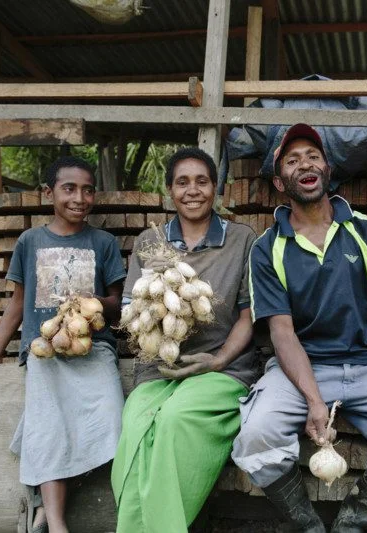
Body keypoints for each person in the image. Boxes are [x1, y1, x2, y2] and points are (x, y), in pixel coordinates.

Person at [231, 124, 367, 533]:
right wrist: (313, 400)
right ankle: (307, 525)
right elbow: (282, 333)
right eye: (292, 160)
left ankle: (352, 522)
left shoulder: (365, 231)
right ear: (280, 182)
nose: (304, 164)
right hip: (300, 372)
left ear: (327, 169)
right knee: (256, 436)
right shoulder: (267, 247)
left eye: (312, 155)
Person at [0, 156, 126, 533]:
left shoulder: (102, 243)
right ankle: (54, 522)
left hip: (94, 350)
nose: (79, 198)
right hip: (45, 349)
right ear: (48, 193)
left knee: (111, 423)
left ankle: (41, 502)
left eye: (87, 190)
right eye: (69, 189)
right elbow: (18, 303)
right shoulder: (30, 241)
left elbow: (117, 306)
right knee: (49, 426)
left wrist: (92, 302)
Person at [110, 147, 258, 532]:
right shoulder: (149, 243)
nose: (193, 190)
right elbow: (133, 315)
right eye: (182, 182)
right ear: (169, 192)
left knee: (175, 420)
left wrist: (219, 360)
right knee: (137, 424)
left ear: (216, 188)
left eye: (202, 181)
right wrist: (153, 295)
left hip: (221, 370)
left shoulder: (241, 239)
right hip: (159, 367)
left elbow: (248, 316)